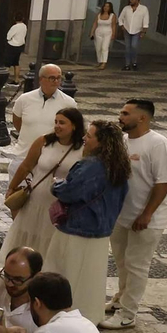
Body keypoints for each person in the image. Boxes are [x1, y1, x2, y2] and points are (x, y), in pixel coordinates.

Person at [45, 119, 129, 321]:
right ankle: (90, 316)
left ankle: (64, 317)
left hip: (78, 228)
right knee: (92, 279)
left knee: (68, 276)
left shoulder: (91, 165)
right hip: (102, 230)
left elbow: (70, 191)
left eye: (89, 135)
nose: (84, 138)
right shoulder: (119, 165)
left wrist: (55, 185)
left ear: (101, 142)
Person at [103, 99, 167, 331]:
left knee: (137, 265)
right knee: (122, 262)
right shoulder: (123, 141)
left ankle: (128, 313)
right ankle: (120, 298)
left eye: (125, 113)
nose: (120, 116)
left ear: (142, 118)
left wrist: (147, 214)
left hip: (146, 218)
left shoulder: (158, 144)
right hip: (122, 214)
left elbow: (164, 182)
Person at [4, 107, 83, 256]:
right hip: (36, 200)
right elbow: (26, 165)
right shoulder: (44, 141)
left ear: (74, 125)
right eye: (56, 122)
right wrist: (12, 187)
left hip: (60, 204)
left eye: (62, 123)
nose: (57, 126)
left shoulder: (82, 149)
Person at [10, 64, 72, 148]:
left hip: (51, 155)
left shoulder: (68, 102)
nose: (56, 81)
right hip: (23, 153)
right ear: (41, 79)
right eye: (52, 78)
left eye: (59, 78)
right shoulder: (24, 99)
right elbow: (17, 120)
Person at [117, 0, 149, 71]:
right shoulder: (126, 8)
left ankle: (134, 62)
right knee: (127, 48)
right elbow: (120, 18)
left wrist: (143, 31)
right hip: (127, 30)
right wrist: (122, 26)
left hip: (137, 31)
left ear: (137, 0)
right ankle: (127, 64)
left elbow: (146, 20)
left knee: (134, 46)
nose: (130, 1)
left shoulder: (144, 9)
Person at [90, 1, 117, 70]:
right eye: (105, 6)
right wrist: (92, 32)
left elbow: (113, 25)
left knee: (104, 47)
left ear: (110, 8)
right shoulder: (99, 15)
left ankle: (104, 62)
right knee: (98, 47)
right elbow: (95, 24)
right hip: (98, 32)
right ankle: (100, 61)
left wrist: (113, 34)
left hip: (108, 32)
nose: (106, 8)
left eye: (108, 6)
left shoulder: (112, 16)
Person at [3, 14, 27, 80]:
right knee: (16, 63)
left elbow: (8, 37)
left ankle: (3, 79)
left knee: (7, 64)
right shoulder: (24, 26)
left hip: (12, 46)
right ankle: (16, 79)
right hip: (20, 46)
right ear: (23, 18)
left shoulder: (15, 27)